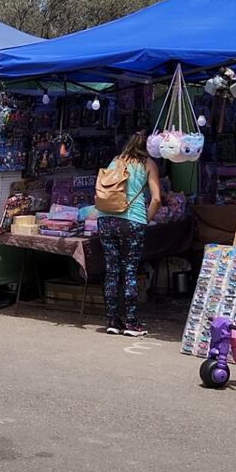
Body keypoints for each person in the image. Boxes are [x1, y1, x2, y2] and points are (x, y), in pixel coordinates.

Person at [97, 131, 162, 337]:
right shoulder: (148, 164)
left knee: (112, 270)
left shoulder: (116, 161)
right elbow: (157, 199)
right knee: (130, 270)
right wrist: (147, 219)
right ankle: (132, 323)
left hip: (105, 219)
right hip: (132, 221)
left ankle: (112, 320)